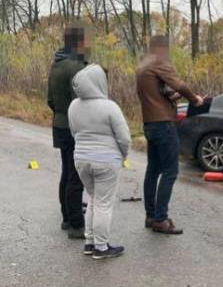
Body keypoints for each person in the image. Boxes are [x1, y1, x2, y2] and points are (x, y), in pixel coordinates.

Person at [136, 35, 203, 234]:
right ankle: (161, 219)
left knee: (153, 169)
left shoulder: (142, 66)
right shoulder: (158, 61)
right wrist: (194, 99)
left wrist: (173, 96)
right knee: (170, 171)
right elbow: (179, 85)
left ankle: (151, 215)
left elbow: (158, 93)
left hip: (149, 123)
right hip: (164, 124)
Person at [69, 65, 130, 260]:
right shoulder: (109, 107)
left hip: (81, 159)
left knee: (93, 199)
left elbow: (74, 133)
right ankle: (101, 247)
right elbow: (124, 138)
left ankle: (90, 242)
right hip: (106, 161)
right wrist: (123, 155)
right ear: (98, 82)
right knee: (104, 203)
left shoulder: (73, 106)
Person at [47, 25, 89, 239]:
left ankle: (66, 217)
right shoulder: (76, 66)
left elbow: (50, 100)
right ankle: (75, 224)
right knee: (76, 176)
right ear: (78, 43)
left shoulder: (56, 64)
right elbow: (81, 101)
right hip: (74, 127)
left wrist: (61, 115)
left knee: (66, 172)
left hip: (59, 124)